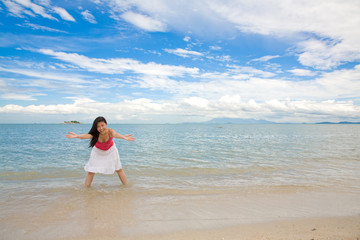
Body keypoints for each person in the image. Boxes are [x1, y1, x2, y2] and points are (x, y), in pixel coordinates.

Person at [66, 116, 135, 187]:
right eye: (98, 126)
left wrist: (123, 137)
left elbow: (115, 134)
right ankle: (86, 189)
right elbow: (88, 135)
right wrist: (77, 136)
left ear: (106, 124)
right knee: (91, 171)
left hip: (111, 150)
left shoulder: (110, 131)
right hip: (97, 151)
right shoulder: (96, 133)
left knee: (119, 169)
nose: (101, 128)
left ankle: (126, 187)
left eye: (102, 125)